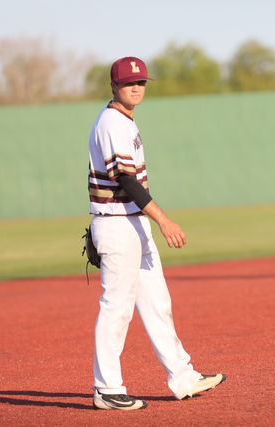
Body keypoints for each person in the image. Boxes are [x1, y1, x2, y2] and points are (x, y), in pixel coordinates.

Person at [87, 56, 226, 410]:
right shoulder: (112, 123)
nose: (136, 87)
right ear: (113, 85)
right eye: (129, 82)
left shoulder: (125, 121)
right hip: (117, 223)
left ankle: (183, 375)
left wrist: (150, 223)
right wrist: (164, 220)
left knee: (157, 302)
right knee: (116, 308)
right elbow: (126, 180)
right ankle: (106, 388)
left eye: (141, 82)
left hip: (134, 224)